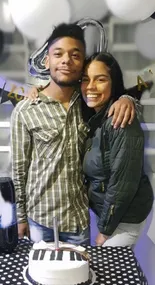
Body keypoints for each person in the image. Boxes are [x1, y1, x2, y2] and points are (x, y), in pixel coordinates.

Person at [10, 23, 137, 245]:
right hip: (39, 221)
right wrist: (20, 217)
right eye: (58, 54)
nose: (66, 60)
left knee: (80, 279)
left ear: (81, 64)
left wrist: (128, 99)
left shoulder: (89, 102)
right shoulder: (26, 109)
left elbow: (117, 93)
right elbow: (19, 170)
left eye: (75, 55)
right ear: (47, 61)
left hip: (78, 221)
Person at [81, 52, 153, 247]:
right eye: (85, 79)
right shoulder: (96, 117)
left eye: (100, 79)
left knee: (110, 271)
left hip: (124, 218)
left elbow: (122, 185)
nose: (90, 87)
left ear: (114, 83)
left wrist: (104, 231)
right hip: (109, 213)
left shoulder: (120, 120)